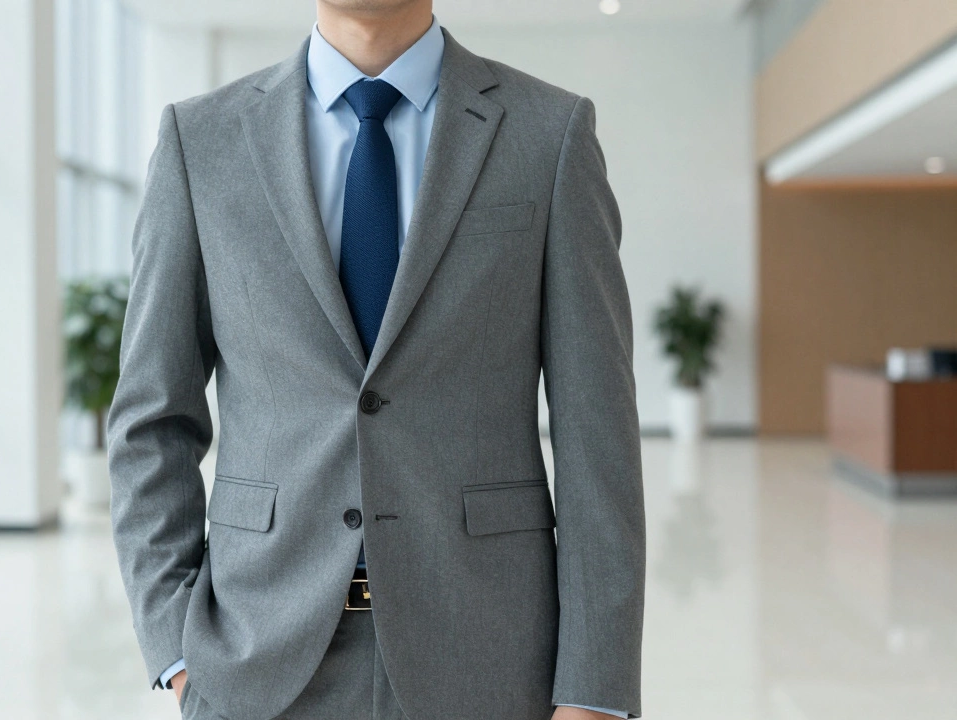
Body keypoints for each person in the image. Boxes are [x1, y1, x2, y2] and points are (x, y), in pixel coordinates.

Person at [106, 0, 645, 718]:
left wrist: (593, 690)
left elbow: (596, 432)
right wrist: (175, 647)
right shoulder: (199, 141)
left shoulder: (550, 133)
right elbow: (151, 417)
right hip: (255, 658)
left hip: (490, 653)